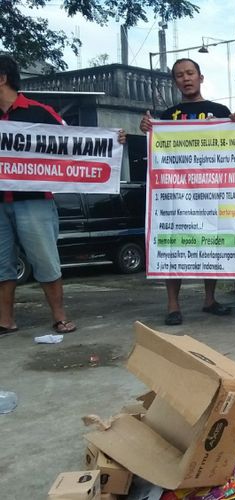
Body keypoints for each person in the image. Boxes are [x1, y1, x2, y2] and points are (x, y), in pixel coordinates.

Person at [0, 55, 125, 336]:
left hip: (34, 202)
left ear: (2, 78)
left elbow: (76, 143)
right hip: (0, 203)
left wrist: (111, 143)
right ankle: (5, 321)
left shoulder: (39, 112)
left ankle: (59, 317)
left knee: (45, 260)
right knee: (1, 265)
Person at [140, 58, 235, 325]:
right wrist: (148, 130)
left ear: (201, 77)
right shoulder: (166, 116)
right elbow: (156, 151)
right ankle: (173, 305)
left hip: (212, 190)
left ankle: (210, 299)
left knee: (211, 244)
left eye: (190, 73)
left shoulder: (219, 110)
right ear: (175, 81)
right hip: (178, 192)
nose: (186, 79)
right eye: (179, 75)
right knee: (174, 245)